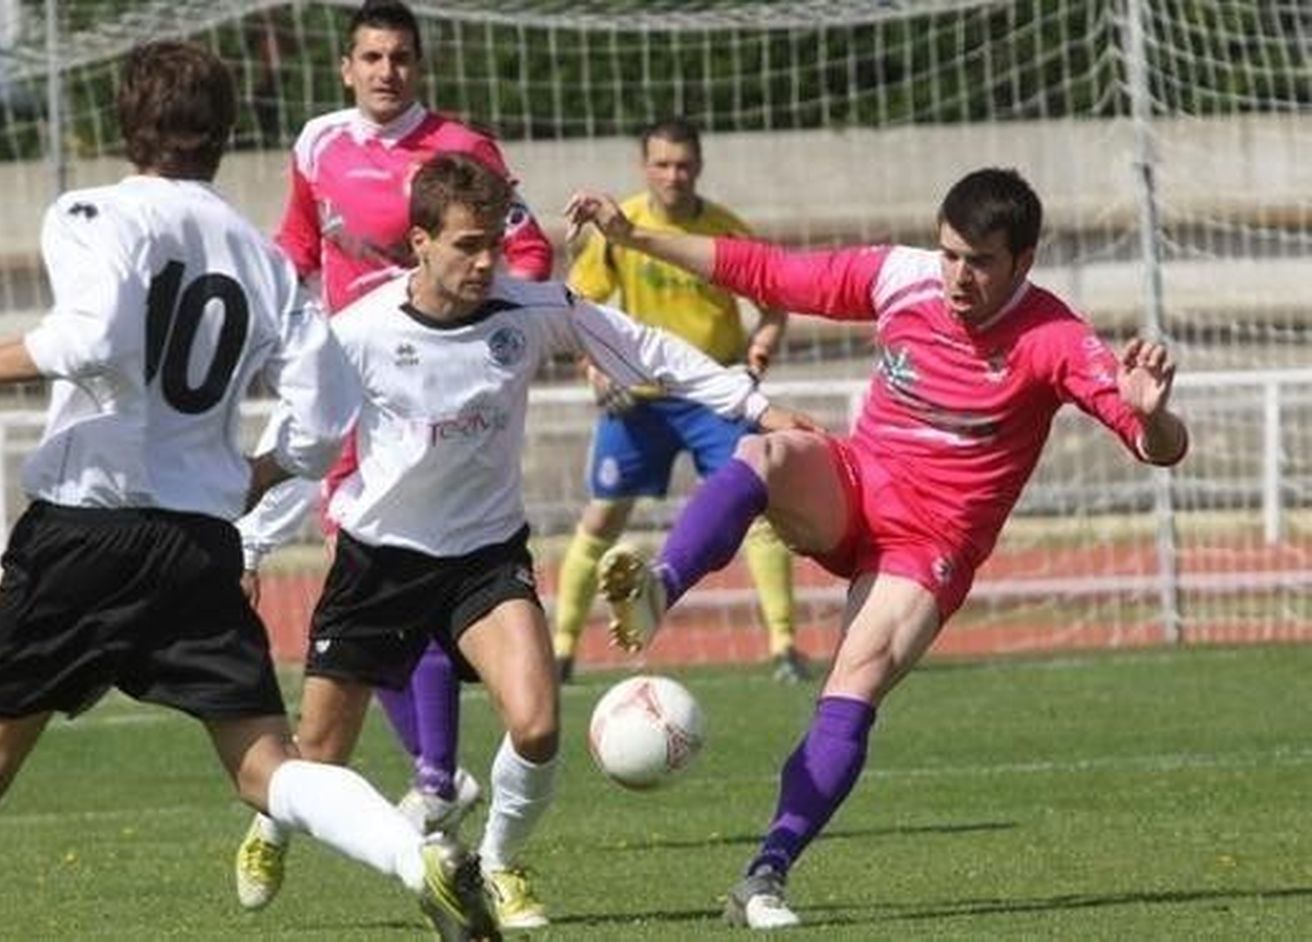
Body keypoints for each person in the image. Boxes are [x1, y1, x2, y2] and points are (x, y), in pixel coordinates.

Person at [0, 42, 499, 942]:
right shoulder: (263, 258)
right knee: (265, 766)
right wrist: (261, 473)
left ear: (127, 124)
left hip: (87, 531)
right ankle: (415, 857)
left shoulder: (94, 213)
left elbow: (91, 338)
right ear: (224, 134)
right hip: (196, 542)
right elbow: (325, 413)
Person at [566, 167, 1188, 930]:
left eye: (981, 262)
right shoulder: (904, 277)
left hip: (930, 546)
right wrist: (634, 239)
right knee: (769, 452)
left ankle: (765, 874)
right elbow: (767, 271)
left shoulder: (1054, 338)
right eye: (950, 254)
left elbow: (1157, 447)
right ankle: (660, 585)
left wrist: (1153, 416)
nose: (958, 276)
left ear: (1023, 261)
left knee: (853, 682)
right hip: (856, 486)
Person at [240, 151, 807, 931]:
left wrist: (754, 405)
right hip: (379, 562)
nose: (484, 262)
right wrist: (248, 544)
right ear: (419, 243)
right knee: (316, 753)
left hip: (485, 559)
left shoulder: (530, 310)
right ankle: (272, 824)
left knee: (537, 727)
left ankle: (497, 864)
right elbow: (298, 444)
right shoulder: (358, 335)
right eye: (466, 245)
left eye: (494, 245)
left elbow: (648, 350)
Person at [233, 0, 553, 912]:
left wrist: (500, 328)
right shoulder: (317, 144)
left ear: (421, 66)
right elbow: (295, 244)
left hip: (438, 394)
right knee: (376, 575)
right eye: (371, 57)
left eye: (401, 57)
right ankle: (299, 810)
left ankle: (438, 787)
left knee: (410, 567)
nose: (386, 72)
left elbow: (526, 246)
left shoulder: (466, 152)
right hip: (356, 383)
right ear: (346, 67)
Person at [552, 116, 804, 685]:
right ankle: (563, 648)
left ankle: (784, 645)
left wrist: (755, 362)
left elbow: (774, 305)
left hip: (712, 395)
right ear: (645, 168)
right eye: (662, 164)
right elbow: (577, 310)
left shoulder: (725, 230)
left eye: (684, 164)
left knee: (757, 506)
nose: (674, 175)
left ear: (700, 165)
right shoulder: (619, 227)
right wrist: (593, 369)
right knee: (603, 515)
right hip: (639, 398)